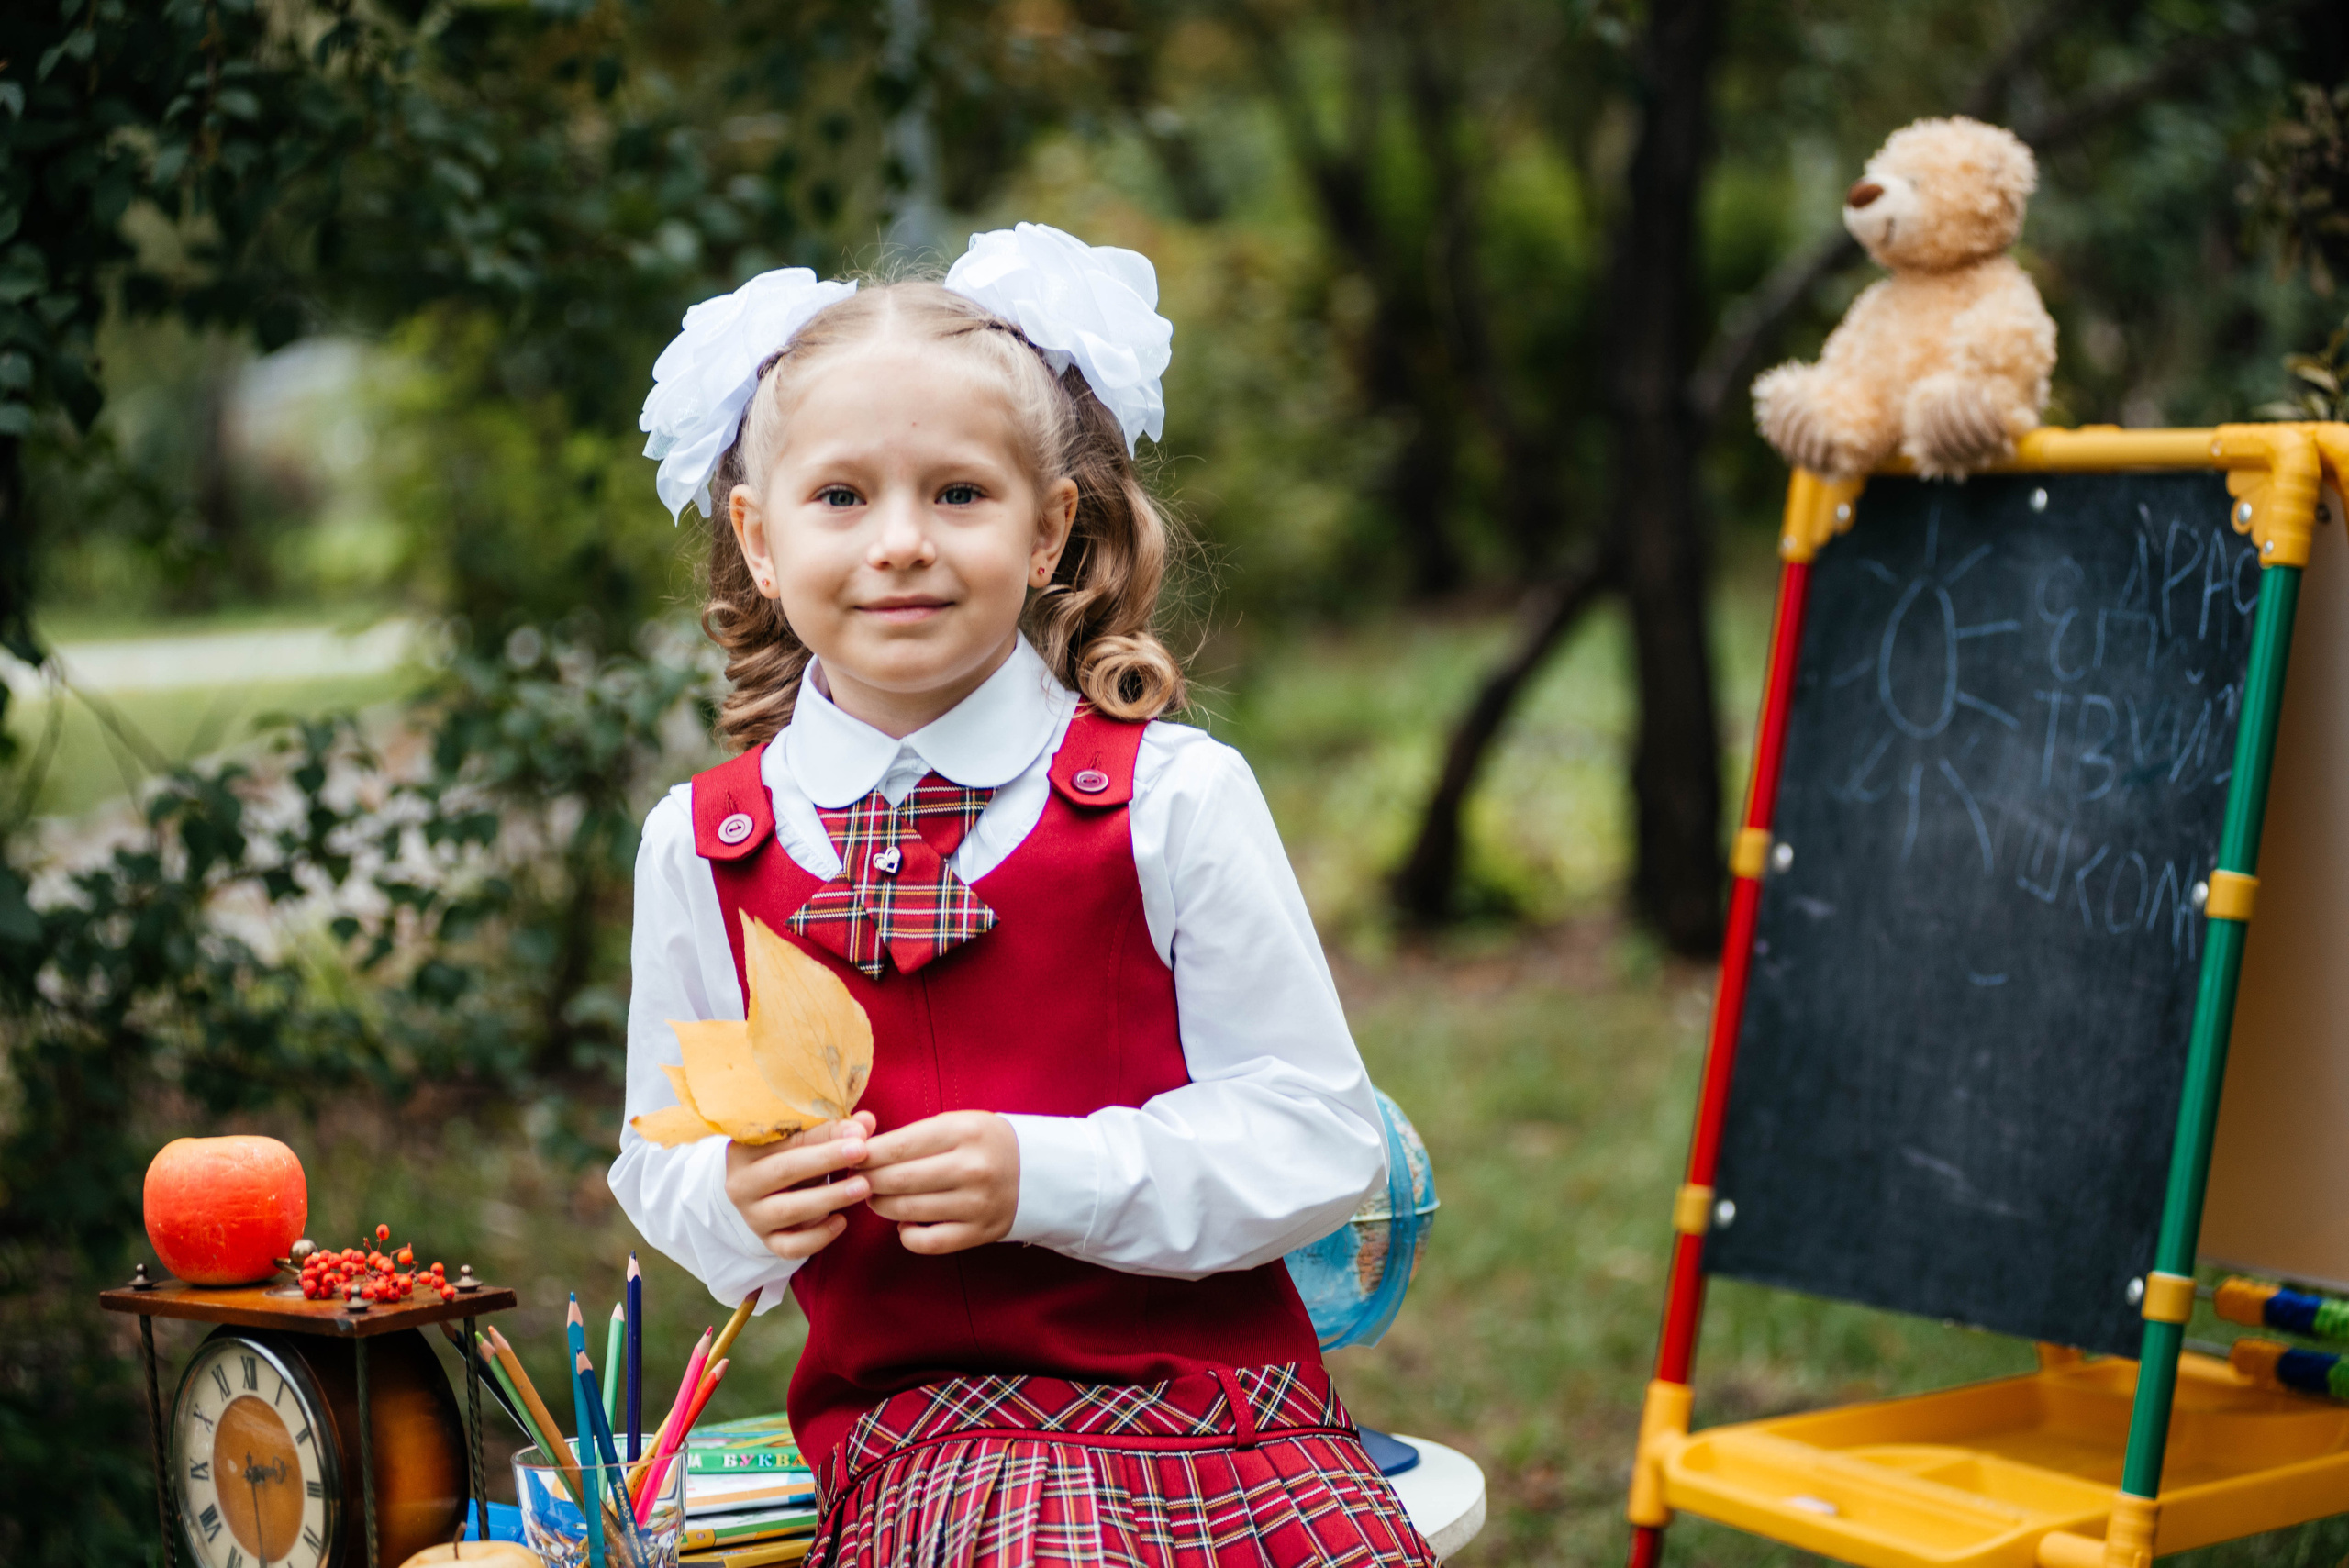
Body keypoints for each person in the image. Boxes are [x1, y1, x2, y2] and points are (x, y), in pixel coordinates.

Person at [612, 223, 1435, 1568]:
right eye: (839, 499)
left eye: (956, 494)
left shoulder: (1170, 798)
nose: (899, 545)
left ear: (1049, 525)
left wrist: (1040, 1172)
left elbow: (1319, 1137)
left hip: (1218, 1409)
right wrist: (736, 1201)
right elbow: (661, 1155)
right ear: (757, 541)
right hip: (929, 1434)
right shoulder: (705, 847)